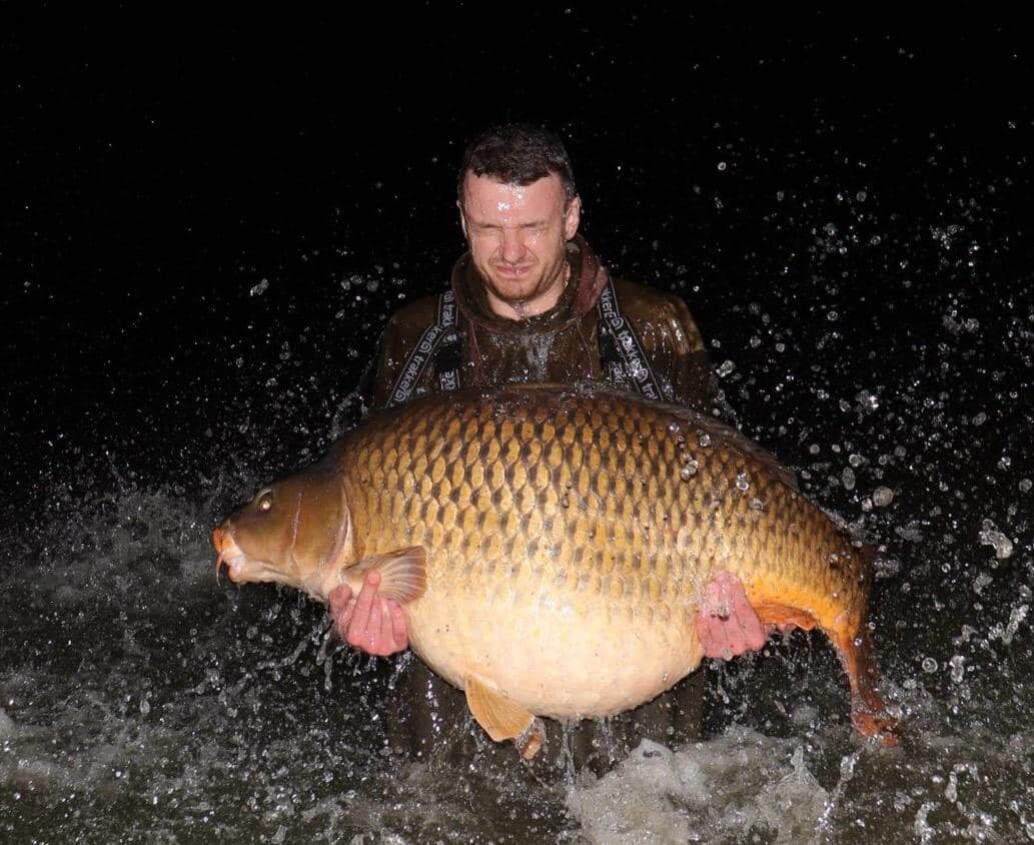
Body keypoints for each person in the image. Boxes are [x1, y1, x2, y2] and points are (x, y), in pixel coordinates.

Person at [329, 124, 769, 765]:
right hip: (466, 656)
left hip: (634, 636)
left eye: (532, 227)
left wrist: (739, 602)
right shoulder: (414, 334)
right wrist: (359, 603)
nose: (510, 252)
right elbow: (374, 508)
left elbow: (727, 488)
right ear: (461, 221)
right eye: (488, 229)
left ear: (571, 216)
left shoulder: (654, 327)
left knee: (659, 808)